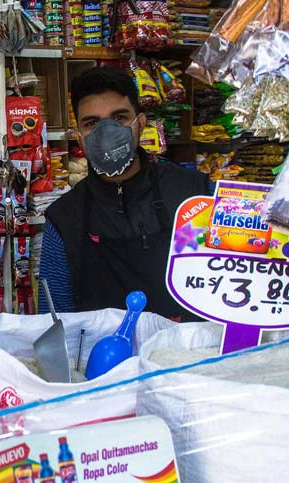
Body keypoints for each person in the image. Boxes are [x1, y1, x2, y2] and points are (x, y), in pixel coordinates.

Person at [39, 67, 210, 320]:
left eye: (119, 117)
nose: (106, 131)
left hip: (184, 353)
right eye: (92, 123)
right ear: (79, 138)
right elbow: (53, 319)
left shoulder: (194, 195)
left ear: (140, 124)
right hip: (102, 358)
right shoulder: (65, 219)